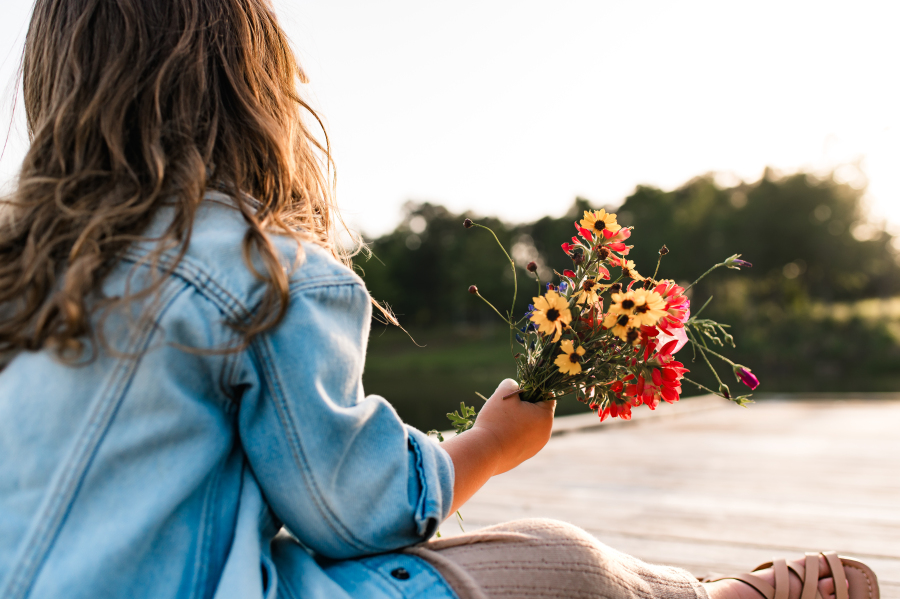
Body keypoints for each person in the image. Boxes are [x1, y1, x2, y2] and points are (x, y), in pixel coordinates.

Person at [0, 1, 879, 598]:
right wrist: (488, 446)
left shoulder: (17, 270)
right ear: (250, 89)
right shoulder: (255, 268)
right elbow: (353, 509)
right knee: (556, 559)